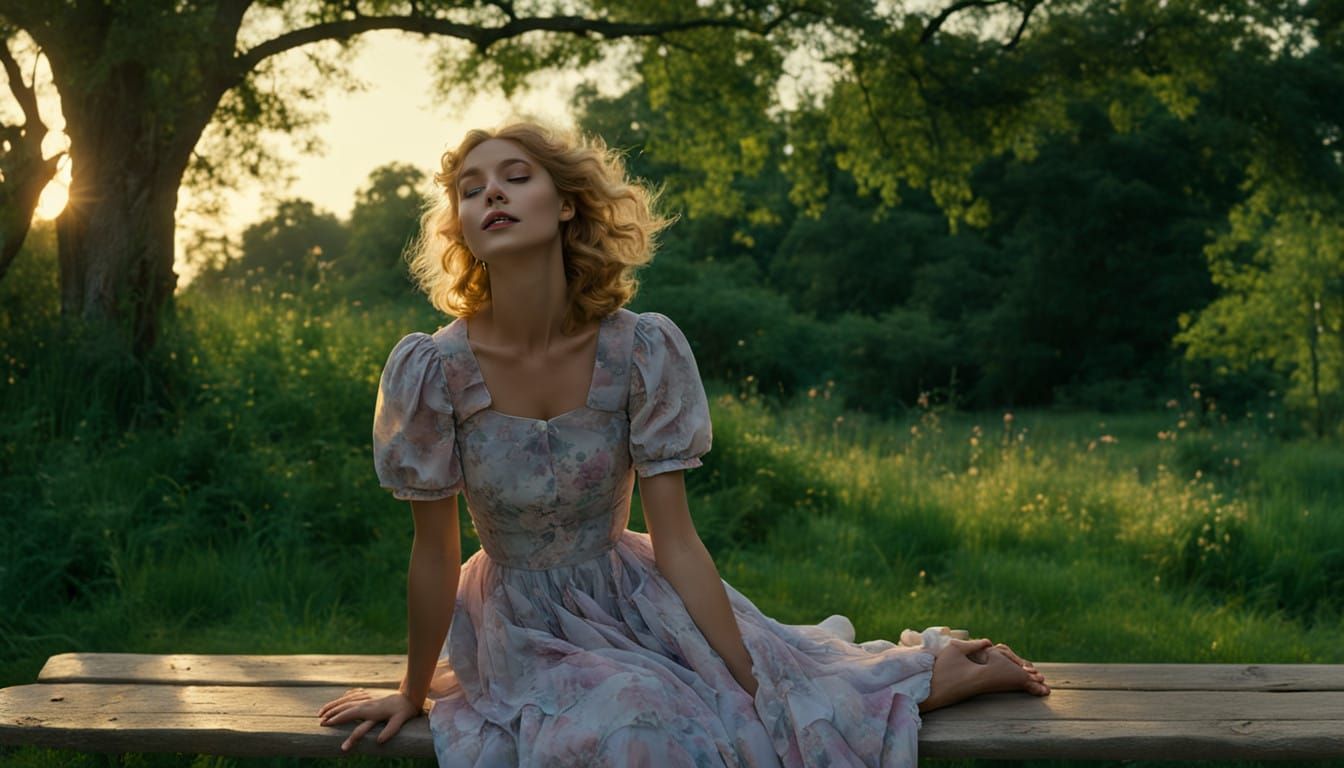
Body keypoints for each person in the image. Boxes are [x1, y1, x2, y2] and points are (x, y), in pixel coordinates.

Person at [316, 121, 1049, 766]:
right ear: (463, 228)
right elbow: (435, 552)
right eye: (471, 191)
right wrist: (412, 690)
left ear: (567, 204)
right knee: (636, 718)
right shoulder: (433, 369)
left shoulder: (639, 349)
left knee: (771, 701)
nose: (492, 195)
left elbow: (676, 540)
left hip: (638, 598)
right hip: (517, 625)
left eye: (515, 177)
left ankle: (947, 673)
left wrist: (759, 682)